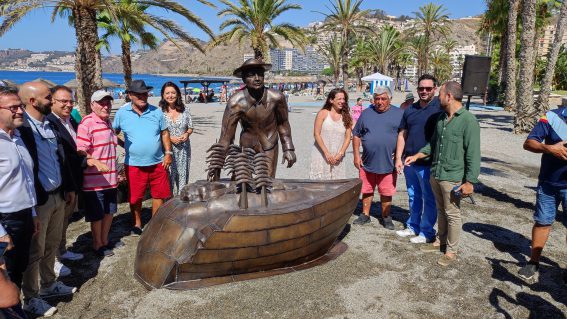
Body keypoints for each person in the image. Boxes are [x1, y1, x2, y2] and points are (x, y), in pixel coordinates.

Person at [405, 81, 480, 267]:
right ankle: (440, 241)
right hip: (436, 173)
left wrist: (470, 181)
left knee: (452, 214)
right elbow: (432, 144)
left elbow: (473, 153)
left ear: (449, 96)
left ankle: (451, 251)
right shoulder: (440, 119)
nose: (438, 97)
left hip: (453, 177)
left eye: (440, 94)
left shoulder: (468, 120)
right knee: (441, 211)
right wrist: (417, 155)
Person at [18, 82, 77, 317]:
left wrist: (68, 187)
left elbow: (59, 158)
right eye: (48, 97)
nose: (52, 101)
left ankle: (49, 284)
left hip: (58, 195)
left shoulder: (49, 125)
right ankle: (31, 297)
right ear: (33, 101)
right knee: (35, 250)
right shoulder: (22, 129)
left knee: (51, 244)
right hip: (39, 201)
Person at [216, 58, 296, 178]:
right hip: (247, 145)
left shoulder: (277, 97)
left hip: (270, 144)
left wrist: (288, 148)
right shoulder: (235, 102)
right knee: (244, 182)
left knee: (267, 183)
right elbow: (226, 136)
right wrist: (217, 165)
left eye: (260, 74)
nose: (257, 78)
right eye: (251, 75)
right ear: (243, 79)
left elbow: (283, 123)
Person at [113, 80, 172, 236]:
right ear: (130, 95)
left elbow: (165, 133)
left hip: (158, 163)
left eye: (145, 93)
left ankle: (154, 224)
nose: (142, 96)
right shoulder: (122, 113)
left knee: (159, 194)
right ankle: (137, 224)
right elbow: (112, 133)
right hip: (133, 164)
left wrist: (168, 153)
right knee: (135, 197)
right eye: (138, 94)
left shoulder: (157, 112)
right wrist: (123, 145)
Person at [0, 87, 39, 316]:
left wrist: (33, 213)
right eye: (13, 107)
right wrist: (1, 232)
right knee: (4, 276)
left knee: (18, 269)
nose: (20, 111)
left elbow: (25, 181)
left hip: (24, 215)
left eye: (20, 106)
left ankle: (15, 310)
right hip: (5, 219)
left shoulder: (19, 137)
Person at [517, 106, 567, 280]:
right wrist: (550, 149)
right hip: (548, 183)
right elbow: (529, 143)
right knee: (542, 222)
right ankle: (533, 262)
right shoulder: (552, 117)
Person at [395, 74, 442, 244]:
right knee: (413, 195)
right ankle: (413, 226)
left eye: (428, 88)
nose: (424, 91)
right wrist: (399, 157)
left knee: (429, 198)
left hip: (428, 163)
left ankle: (427, 232)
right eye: (421, 88)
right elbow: (402, 134)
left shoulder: (440, 108)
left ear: (434, 89)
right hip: (409, 162)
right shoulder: (410, 109)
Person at [352, 87, 404, 229]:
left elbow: (403, 136)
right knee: (367, 189)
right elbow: (356, 134)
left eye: (383, 99)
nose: (379, 102)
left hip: (388, 161)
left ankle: (386, 217)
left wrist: (399, 156)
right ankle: (365, 214)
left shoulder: (399, 114)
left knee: (386, 191)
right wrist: (356, 155)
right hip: (367, 161)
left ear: (390, 99)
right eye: (377, 99)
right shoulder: (366, 113)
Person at [47, 85, 84, 277]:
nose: (68, 105)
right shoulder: (49, 123)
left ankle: (61, 250)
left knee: (65, 220)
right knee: (55, 224)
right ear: (51, 101)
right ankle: (54, 259)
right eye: (63, 101)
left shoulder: (71, 121)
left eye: (71, 101)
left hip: (75, 180)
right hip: (62, 182)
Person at [77, 90, 119, 257]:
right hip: (94, 182)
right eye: (101, 103)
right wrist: (95, 162)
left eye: (108, 102)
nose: (106, 106)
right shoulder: (86, 123)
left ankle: (105, 240)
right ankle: (97, 244)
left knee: (109, 212)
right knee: (97, 215)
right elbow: (81, 150)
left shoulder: (108, 122)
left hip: (111, 179)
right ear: (92, 105)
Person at [310, 88, 352, 180]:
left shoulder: (346, 116)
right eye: (339, 99)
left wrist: (340, 154)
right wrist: (326, 153)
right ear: (331, 100)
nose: (342, 101)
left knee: (337, 186)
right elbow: (316, 134)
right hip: (321, 154)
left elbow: (348, 137)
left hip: (338, 156)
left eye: (344, 99)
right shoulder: (323, 113)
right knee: (320, 185)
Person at [159, 82, 194, 195]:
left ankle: (181, 203)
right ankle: (168, 204)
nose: (170, 95)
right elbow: (156, 132)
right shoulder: (159, 113)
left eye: (173, 93)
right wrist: (170, 138)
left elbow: (191, 127)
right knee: (168, 178)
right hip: (167, 151)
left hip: (184, 150)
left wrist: (187, 134)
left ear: (178, 94)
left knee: (183, 177)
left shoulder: (185, 110)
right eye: (167, 93)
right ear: (163, 95)